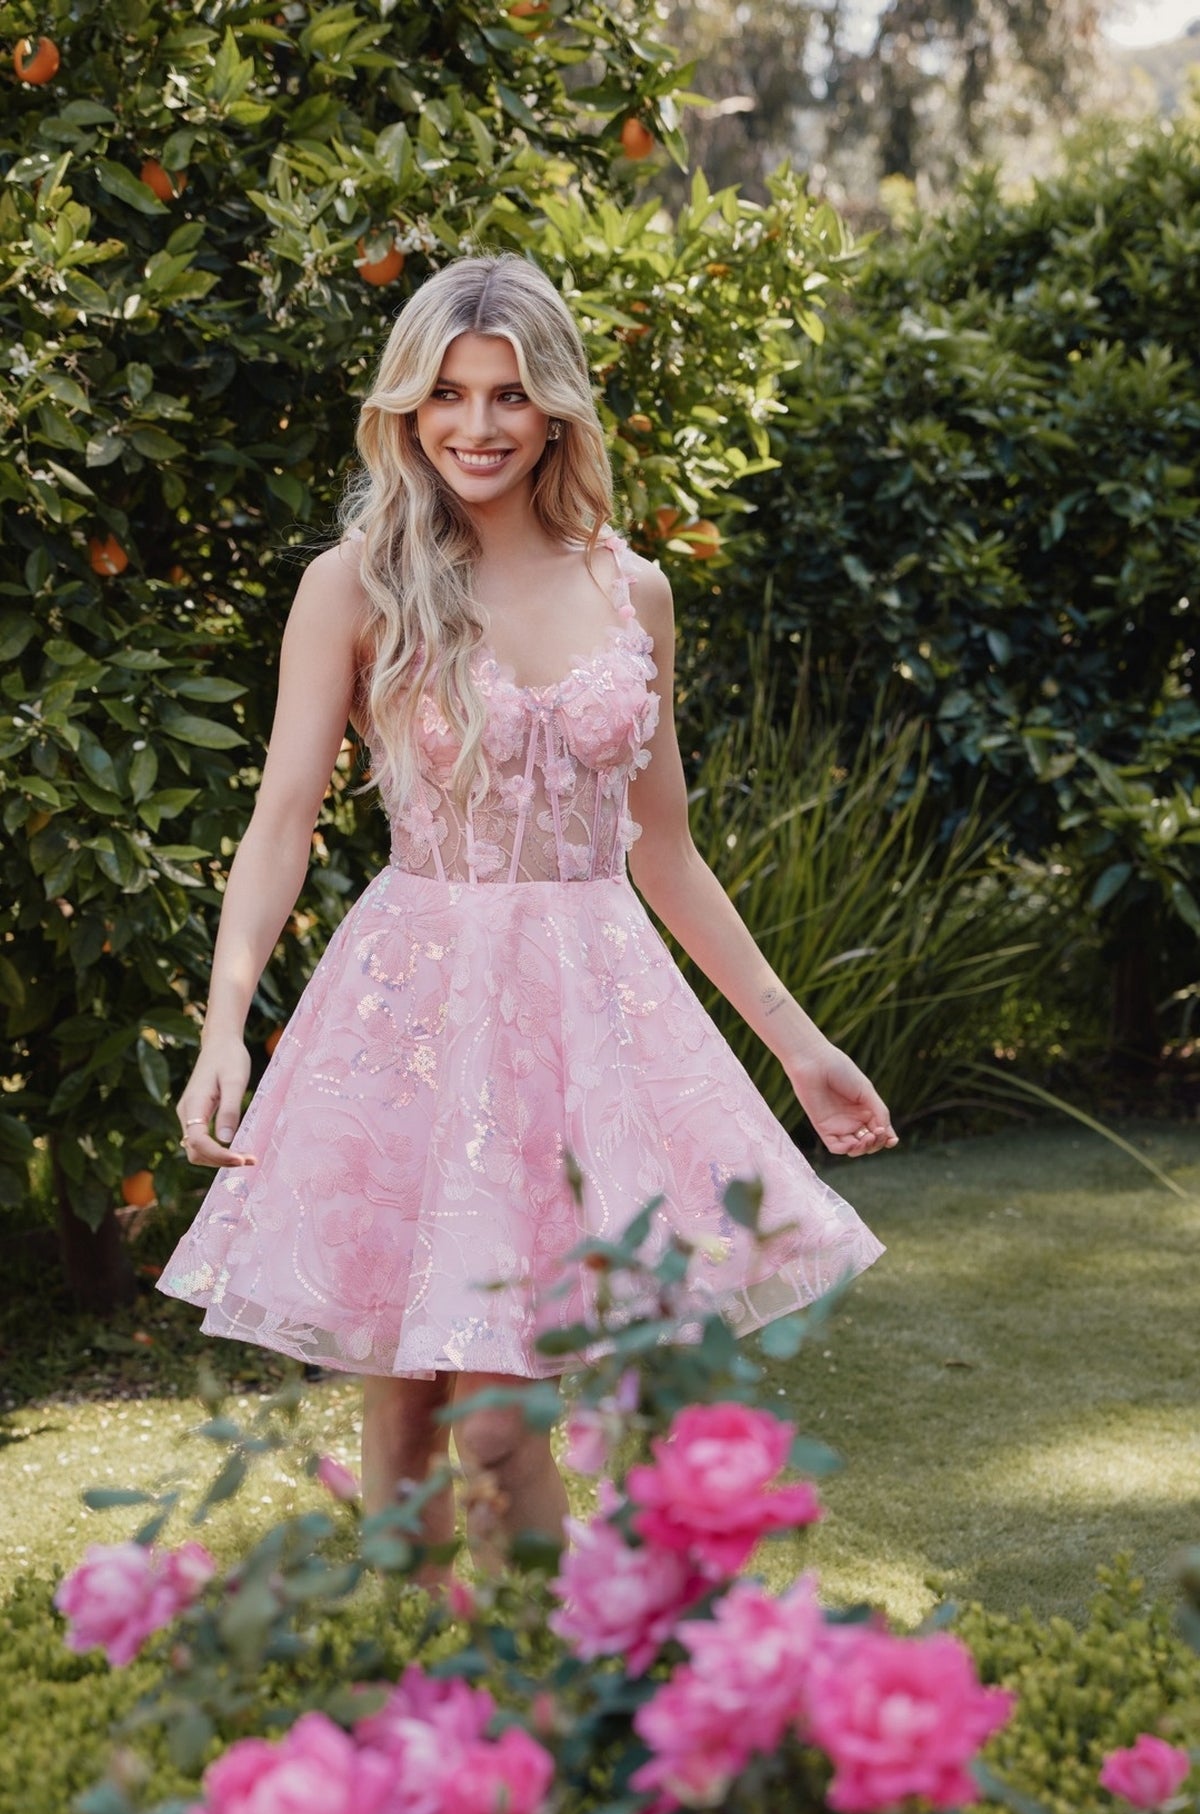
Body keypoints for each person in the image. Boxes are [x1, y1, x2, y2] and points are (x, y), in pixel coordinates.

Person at [158, 252, 896, 1558]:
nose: (477, 425)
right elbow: (281, 822)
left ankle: (545, 1686)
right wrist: (225, 1027)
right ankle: (418, 1694)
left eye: (507, 393)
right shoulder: (358, 584)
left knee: (498, 1413)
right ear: (407, 406)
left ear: (554, 405)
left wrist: (798, 1042)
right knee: (403, 1407)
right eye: (447, 393)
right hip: (420, 1012)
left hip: (592, 1019)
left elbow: (663, 850)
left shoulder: (633, 589)